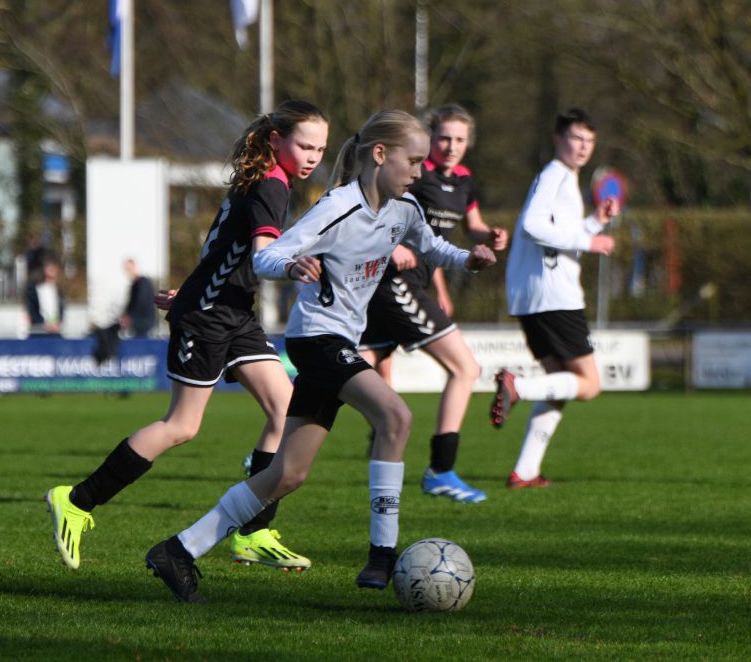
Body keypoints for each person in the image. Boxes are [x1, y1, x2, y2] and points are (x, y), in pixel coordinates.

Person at [142, 109, 496, 603]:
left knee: (287, 474)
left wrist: (469, 259)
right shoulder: (337, 207)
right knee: (395, 416)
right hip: (316, 340)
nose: (419, 172)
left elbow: (434, 248)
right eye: (413, 161)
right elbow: (267, 255)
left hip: (340, 342)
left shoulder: (405, 208)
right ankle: (382, 553)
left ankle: (178, 551)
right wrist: (292, 265)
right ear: (380, 155)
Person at [44, 100, 329, 575]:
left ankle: (253, 532)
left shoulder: (265, 179)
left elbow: (221, 247)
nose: (313, 157)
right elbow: (263, 254)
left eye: (320, 149)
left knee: (286, 410)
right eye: (305, 146)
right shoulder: (271, 184)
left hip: (230, 311)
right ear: (277, 140)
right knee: (182, 426)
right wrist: (291, 265)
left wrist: (196, 286)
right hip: (209, 317)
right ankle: (76, 501)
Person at [358, 104, 509, 504]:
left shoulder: (464, 181)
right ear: (431, 138)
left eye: (460, 139)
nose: (451, 146)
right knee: (465, 367)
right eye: (444, 138)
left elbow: (470, 226)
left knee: (351, 367)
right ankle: (441, 471)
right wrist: (390, 247)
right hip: (396, 282)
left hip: (414, 281)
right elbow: (376, 213)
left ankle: (276, 442)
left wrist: (490, 236)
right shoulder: (414, 175)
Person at [491, 108, 619, 488]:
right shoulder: (556, 173)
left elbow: (554, 234)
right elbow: (532, 226)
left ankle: (525, 471)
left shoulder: (560, 178)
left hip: (531, 296)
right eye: (576, 138)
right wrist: (589, 241)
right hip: (555, 296)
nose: (583, 147)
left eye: (589, 140)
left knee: (559, 384)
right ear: (558, 139)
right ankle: (517, 387)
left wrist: (594, 223)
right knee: (589, 384)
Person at [119, 258, 156, 338]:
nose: (128, 271)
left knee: (140, 340)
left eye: (129, 268)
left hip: (143, 320)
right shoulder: (136, 283)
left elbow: (139, 301)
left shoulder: (142, 282)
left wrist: (129, 316)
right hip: (140, 319)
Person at [25, 260, 63, 334]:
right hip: (40, 332)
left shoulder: (58, 291)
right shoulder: (36, 290)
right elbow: (32, 311)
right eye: (50, 270)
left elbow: (61, 311)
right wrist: (45, 324)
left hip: (56, 331)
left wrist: (57, 324)